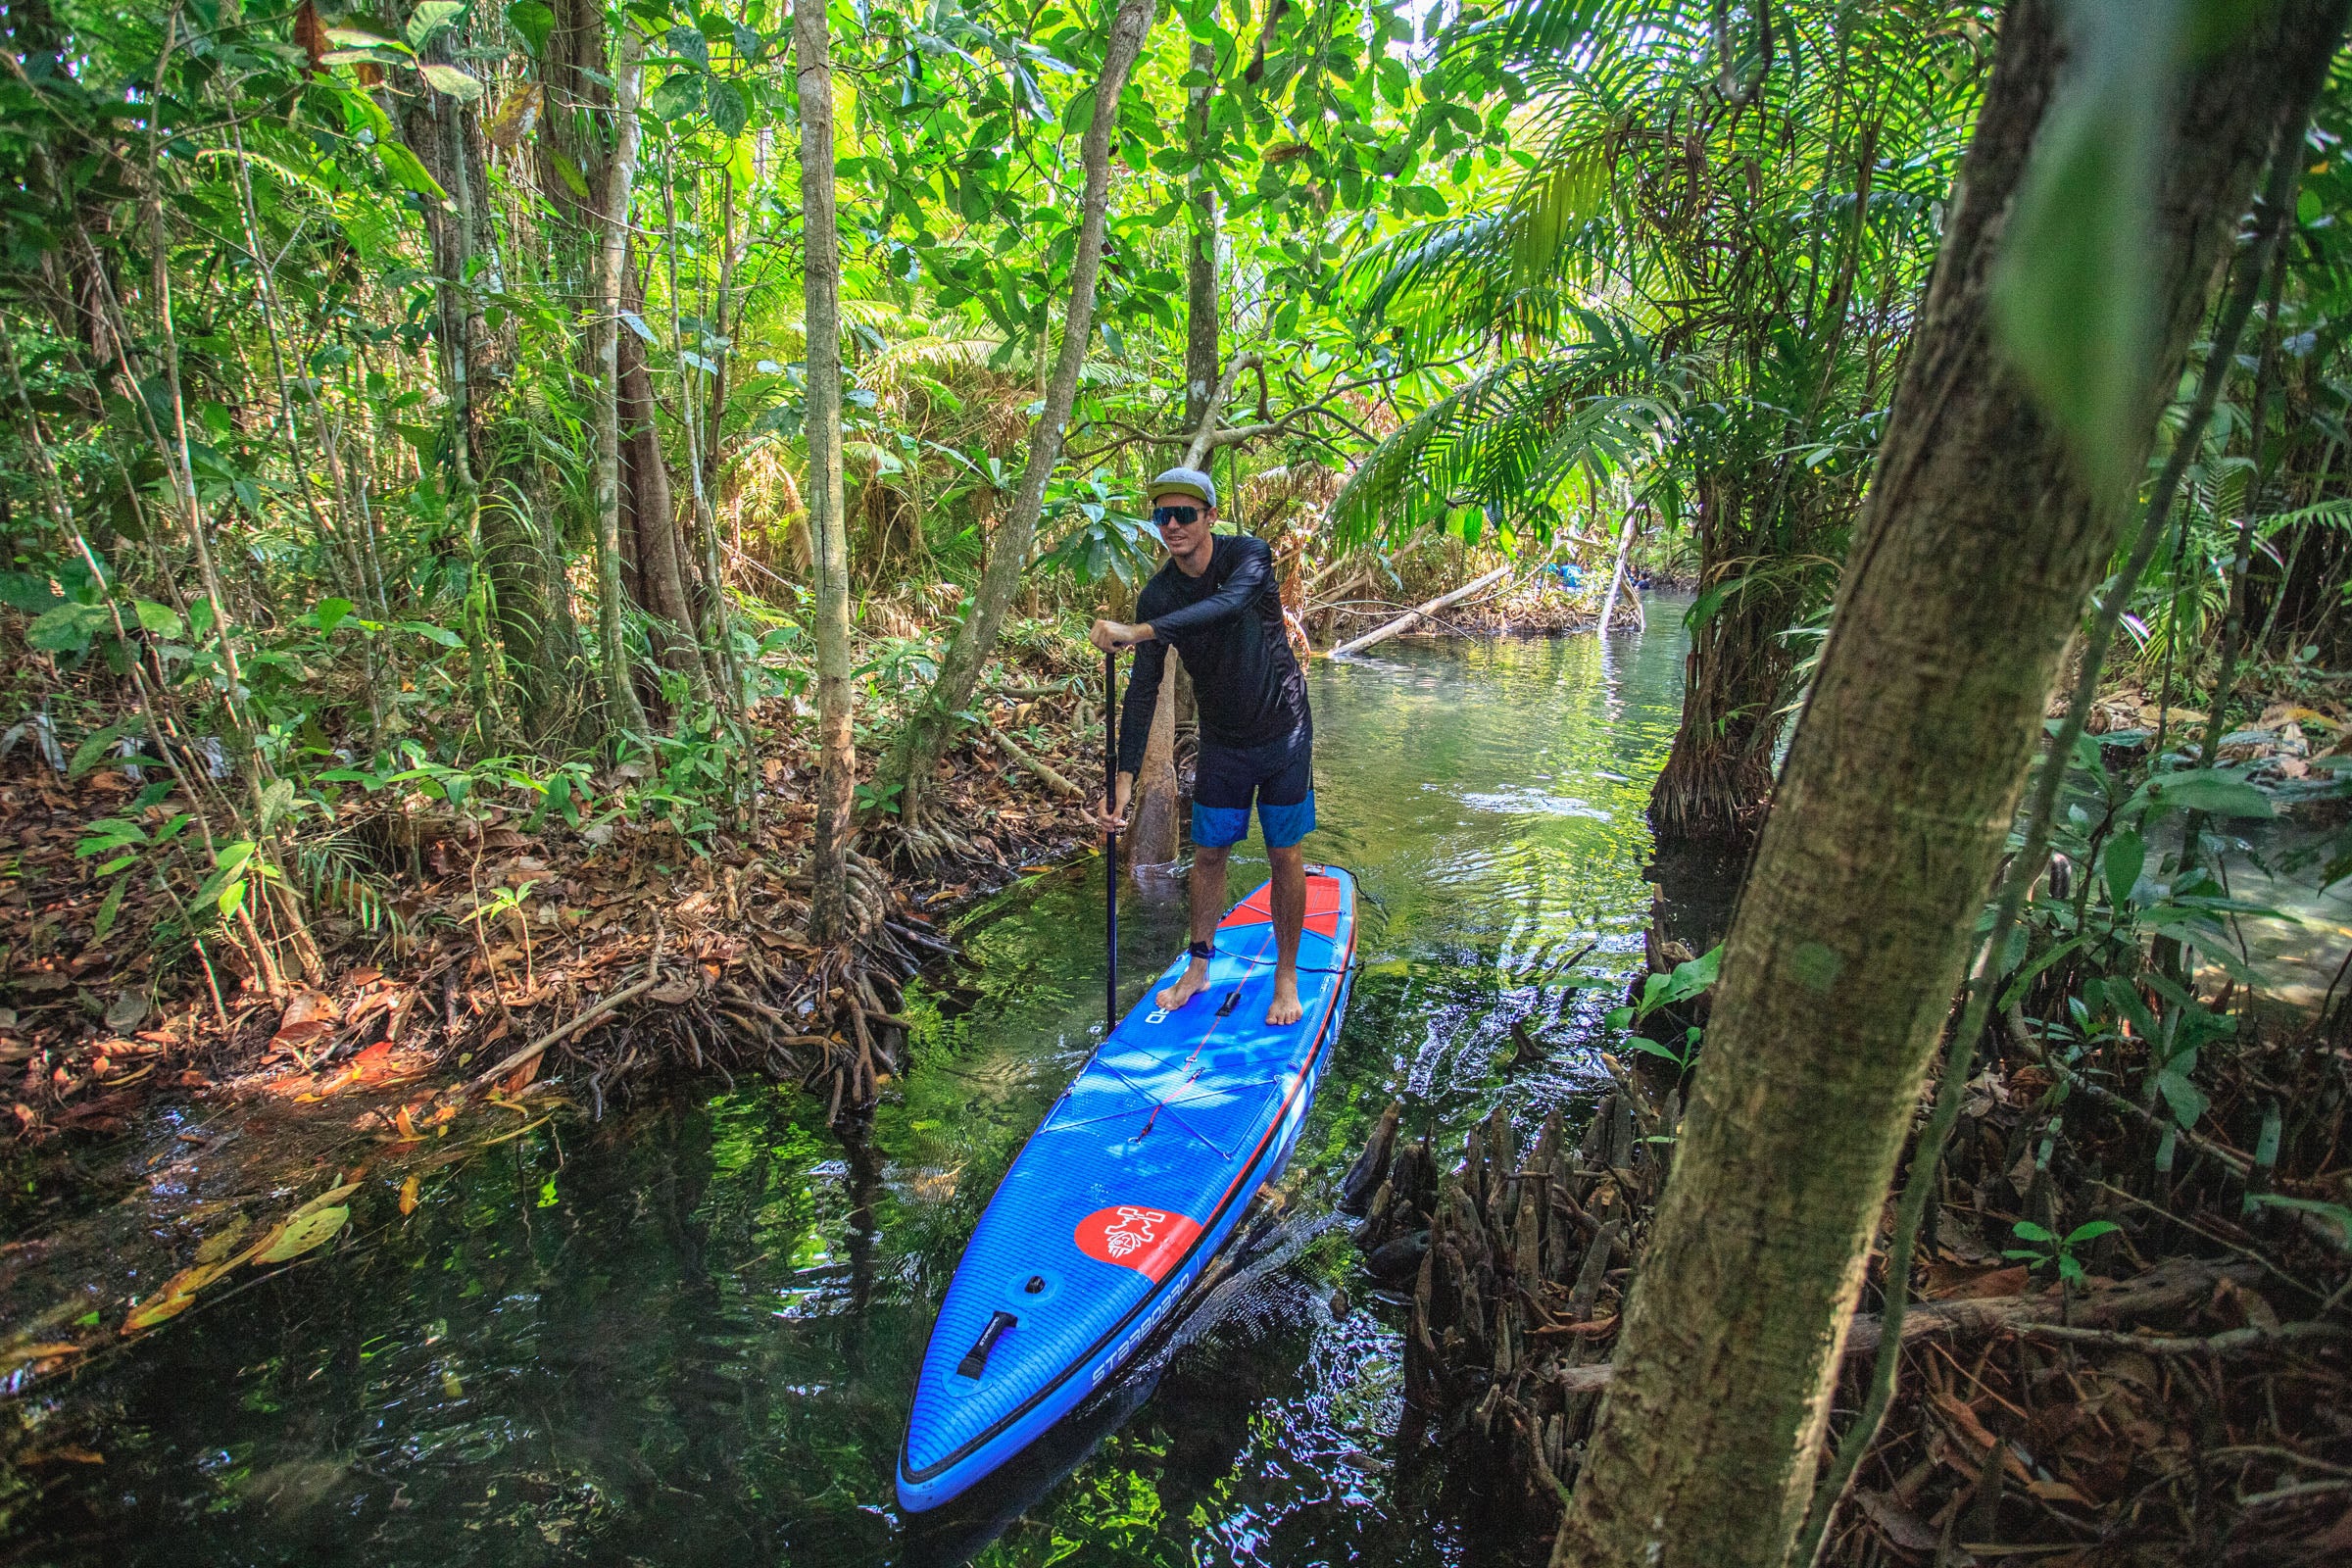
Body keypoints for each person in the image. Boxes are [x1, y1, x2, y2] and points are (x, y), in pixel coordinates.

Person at [1087, 466, 1315, 1027]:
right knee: (1210, 852)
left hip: (1282, 731)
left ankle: (1286, 976)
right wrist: (1120, 785)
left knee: (1282, 853)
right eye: (1162, 515)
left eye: (1185, 514)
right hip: (1222, 741)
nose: (1172, 525)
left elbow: (1229, 606)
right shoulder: (1159, 592)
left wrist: (1142, 630)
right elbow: (1141, 693)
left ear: (1210, 517)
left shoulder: (1249, 557)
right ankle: (1198, 966)